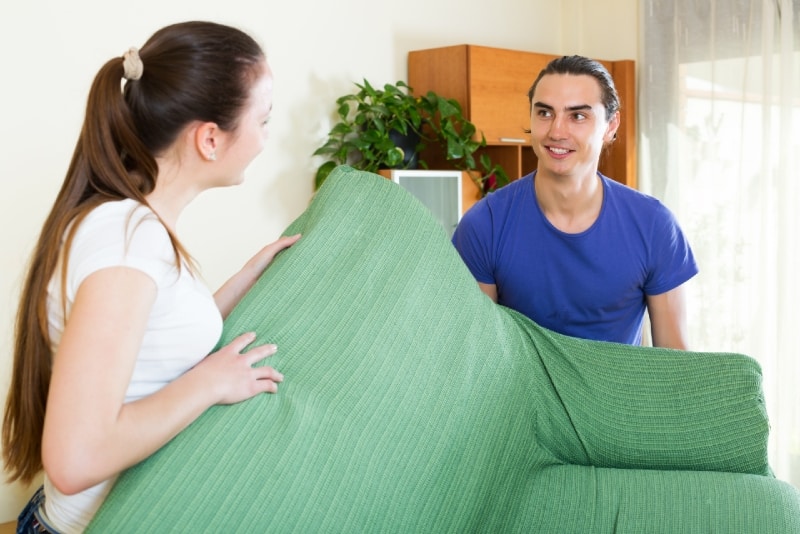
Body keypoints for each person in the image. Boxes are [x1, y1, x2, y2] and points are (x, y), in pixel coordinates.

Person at [2, 21, 300, 533]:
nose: (265, 138)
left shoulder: (130, 225)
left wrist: (247, 277)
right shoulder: (128, 241)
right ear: (209, 138)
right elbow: (74, 460)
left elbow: (154, 347)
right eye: (264, 119)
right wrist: (209, 384)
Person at [452, 55, 697, 349]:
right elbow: (475, 355)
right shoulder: (484, 226)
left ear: (610, 125)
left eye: (577, 116)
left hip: (619, 394)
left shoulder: (654, 225)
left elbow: (675, 363)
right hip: (520, 395)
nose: (557, 131)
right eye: (544, 113)